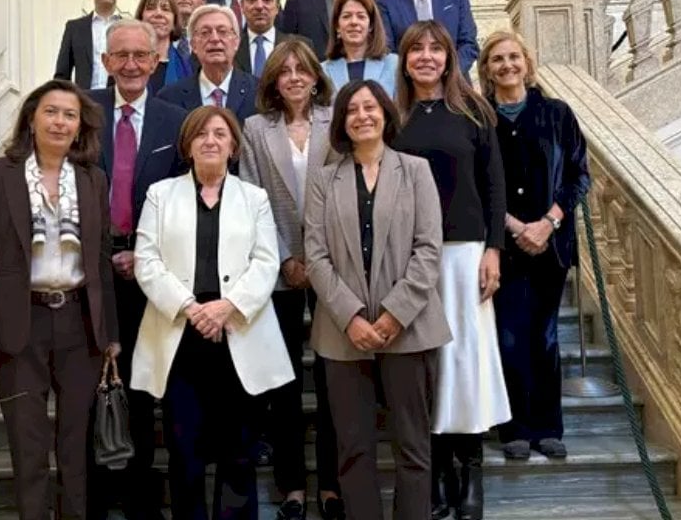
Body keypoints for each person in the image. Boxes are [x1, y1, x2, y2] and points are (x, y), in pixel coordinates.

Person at [0, 79, 120, 520]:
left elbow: (101, 259)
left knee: (75, 446)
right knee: (27, 445)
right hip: (20, 323)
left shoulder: (93, 179)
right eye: (51, 111)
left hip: (79, 324)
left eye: (69, 115)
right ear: (32, 119)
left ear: (80, 126)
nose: (60, 121)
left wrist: (110, 333)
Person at [132, 106, 295, 520]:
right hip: (180, 336)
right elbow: (147, 261)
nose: (210, 141)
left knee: (238, 452)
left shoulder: (254, 198)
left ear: (233, 146)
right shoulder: (160, 194)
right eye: (201, 134)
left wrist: (228, 307)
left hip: (238, 334)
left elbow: (266, 261)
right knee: (184, 452)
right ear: (187, 145)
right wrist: (190, 307)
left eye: (220, 134)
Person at [304, 79, 450, 520]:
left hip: (410, 329)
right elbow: (315, 253)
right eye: (352, 110)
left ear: (386, 114)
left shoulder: (416, 170)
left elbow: (429, 249)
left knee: (413, 446)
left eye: (370, 107)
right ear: (342, 123)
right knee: (353, 449)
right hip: (342, 333)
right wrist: (350, 316)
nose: (362, 116)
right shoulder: (324, 178)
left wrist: (394, 314)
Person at [392, 21, 510, 520]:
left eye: (434, 49)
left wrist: (494, 250)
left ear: (448, 57)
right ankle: (437, 470)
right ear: (404, 58)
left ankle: (470, 472)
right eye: (415, 49)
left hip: (465, 252)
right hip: (412, 257)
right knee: (426, 365)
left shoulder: (474, 111)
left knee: (467, 362)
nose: (425, 57)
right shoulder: (395, 116)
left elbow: (494, 184)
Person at [239, 39, 343, 520]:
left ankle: (332, 486)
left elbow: (345, 194)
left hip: (332, 268)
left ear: (316, 76)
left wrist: (315, 259)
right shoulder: (256, 130)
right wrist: (285, 258)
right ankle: (292, 488)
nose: (295, 77)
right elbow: (251, 202)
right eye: (286, 71)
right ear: (274, 81)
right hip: (276, 272)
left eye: (303, 69)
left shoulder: (336, 122)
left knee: (331, 381)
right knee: (282, 386)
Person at [88, 19, 187, 519]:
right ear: (105, 62)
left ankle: (143, 496)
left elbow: (184, 201)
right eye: (120, 55)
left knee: (145, 386)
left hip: (152, 272)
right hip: (90, 271)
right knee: (94, 386)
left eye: (140, 56)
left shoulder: (176, 119)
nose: (130, 64)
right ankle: (101, 495)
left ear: (154, 61)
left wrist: (145, 255)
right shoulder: (82, 113)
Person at [478, 31, 591, 461]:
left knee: (544, 336)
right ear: (486, 69)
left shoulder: (557, 113)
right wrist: (512, 225)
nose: (506, 65)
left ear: (526, 62)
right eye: (497, 59)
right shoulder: (481, 117)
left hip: (550, 244)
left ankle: (548, 426)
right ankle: (515, 429)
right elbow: (480, 182)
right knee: (508, 336)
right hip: (502, 246)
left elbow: (579, 175)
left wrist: (547, 223)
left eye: (513, 57)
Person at [157, 4, 259, 125]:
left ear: (236, 42)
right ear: (193, 45)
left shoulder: (259, 92)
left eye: (222, 32)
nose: (215, 39)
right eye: (205, 33)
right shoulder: (170, 98)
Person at [54, 0, 123, 89]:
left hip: (118, 102)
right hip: (84, 102)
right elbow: (62, 75)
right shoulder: (74, 28)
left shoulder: (129, 29)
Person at [322, 0, 399, 98]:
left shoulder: (394, 65)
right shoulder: (323, 71)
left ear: (371, 25)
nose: (354, 22)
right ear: (337, 26)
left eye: (361, 16)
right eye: (346, 16)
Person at [134, 0, 194, 93]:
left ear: (174, 21)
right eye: (151, 8)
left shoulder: (188, 67)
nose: (158, 14)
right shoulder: (126, 62)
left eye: (165, 9)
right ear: (141, 17)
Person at [235, 0, 292, 78]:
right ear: (242, 6)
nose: (259, 6)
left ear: (277, 7)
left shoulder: (299, 46)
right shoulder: (231, 47)